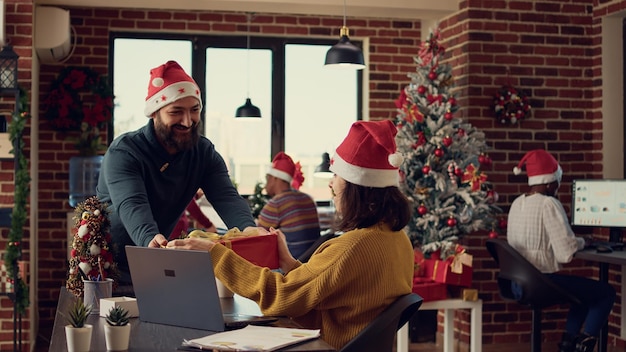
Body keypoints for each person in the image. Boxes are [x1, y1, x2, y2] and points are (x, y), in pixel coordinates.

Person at [167, 120, 414, 349]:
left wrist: (216, 255)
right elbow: (320, 295)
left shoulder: (352, 247)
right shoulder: (398, 239)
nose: (330, 184)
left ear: (357, 186)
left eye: (336, 175)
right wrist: (288, 262)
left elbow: (282, 296)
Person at [97, 60, 258, 285]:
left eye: (194, 110)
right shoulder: (125, 151)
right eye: (176, 112)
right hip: (104, 267)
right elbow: (132, 204)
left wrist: (249, 230)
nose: (187, 121)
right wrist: (149, 240)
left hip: (153, 262)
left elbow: (226, 196)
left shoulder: (203, 151)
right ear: (154, 113)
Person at [507, 149, 615, 352]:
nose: (559, 186)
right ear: (549, 183)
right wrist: (585, 241)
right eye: (558, 181)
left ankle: (568, 346)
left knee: (581, 294)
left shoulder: (517, 203)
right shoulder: (549, 204)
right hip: (540, 282)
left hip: (518, 283)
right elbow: (566, 252)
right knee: (605, 293)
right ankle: (584, 347)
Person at [257, 151, 321, 258]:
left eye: (268, 178)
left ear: (275, 179)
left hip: (289, 266)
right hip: (310, 262)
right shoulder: (308, 198)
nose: (266, 183)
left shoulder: (276, 203)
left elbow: (257, 239)